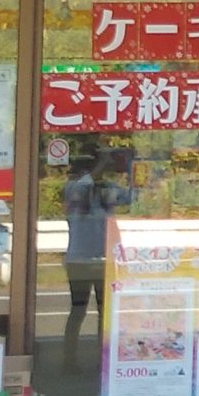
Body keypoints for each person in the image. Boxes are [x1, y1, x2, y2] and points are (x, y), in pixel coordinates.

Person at [61, 154, 131, 370]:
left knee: (104, 310)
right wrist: (100, 167)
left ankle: (103, 357)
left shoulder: (106, 189)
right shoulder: (74, 188)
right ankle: (69, 359)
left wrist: (131, 168)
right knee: (78, 309)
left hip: (101, 259)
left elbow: (130, 197)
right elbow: (82, 187)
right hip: (79, 260)